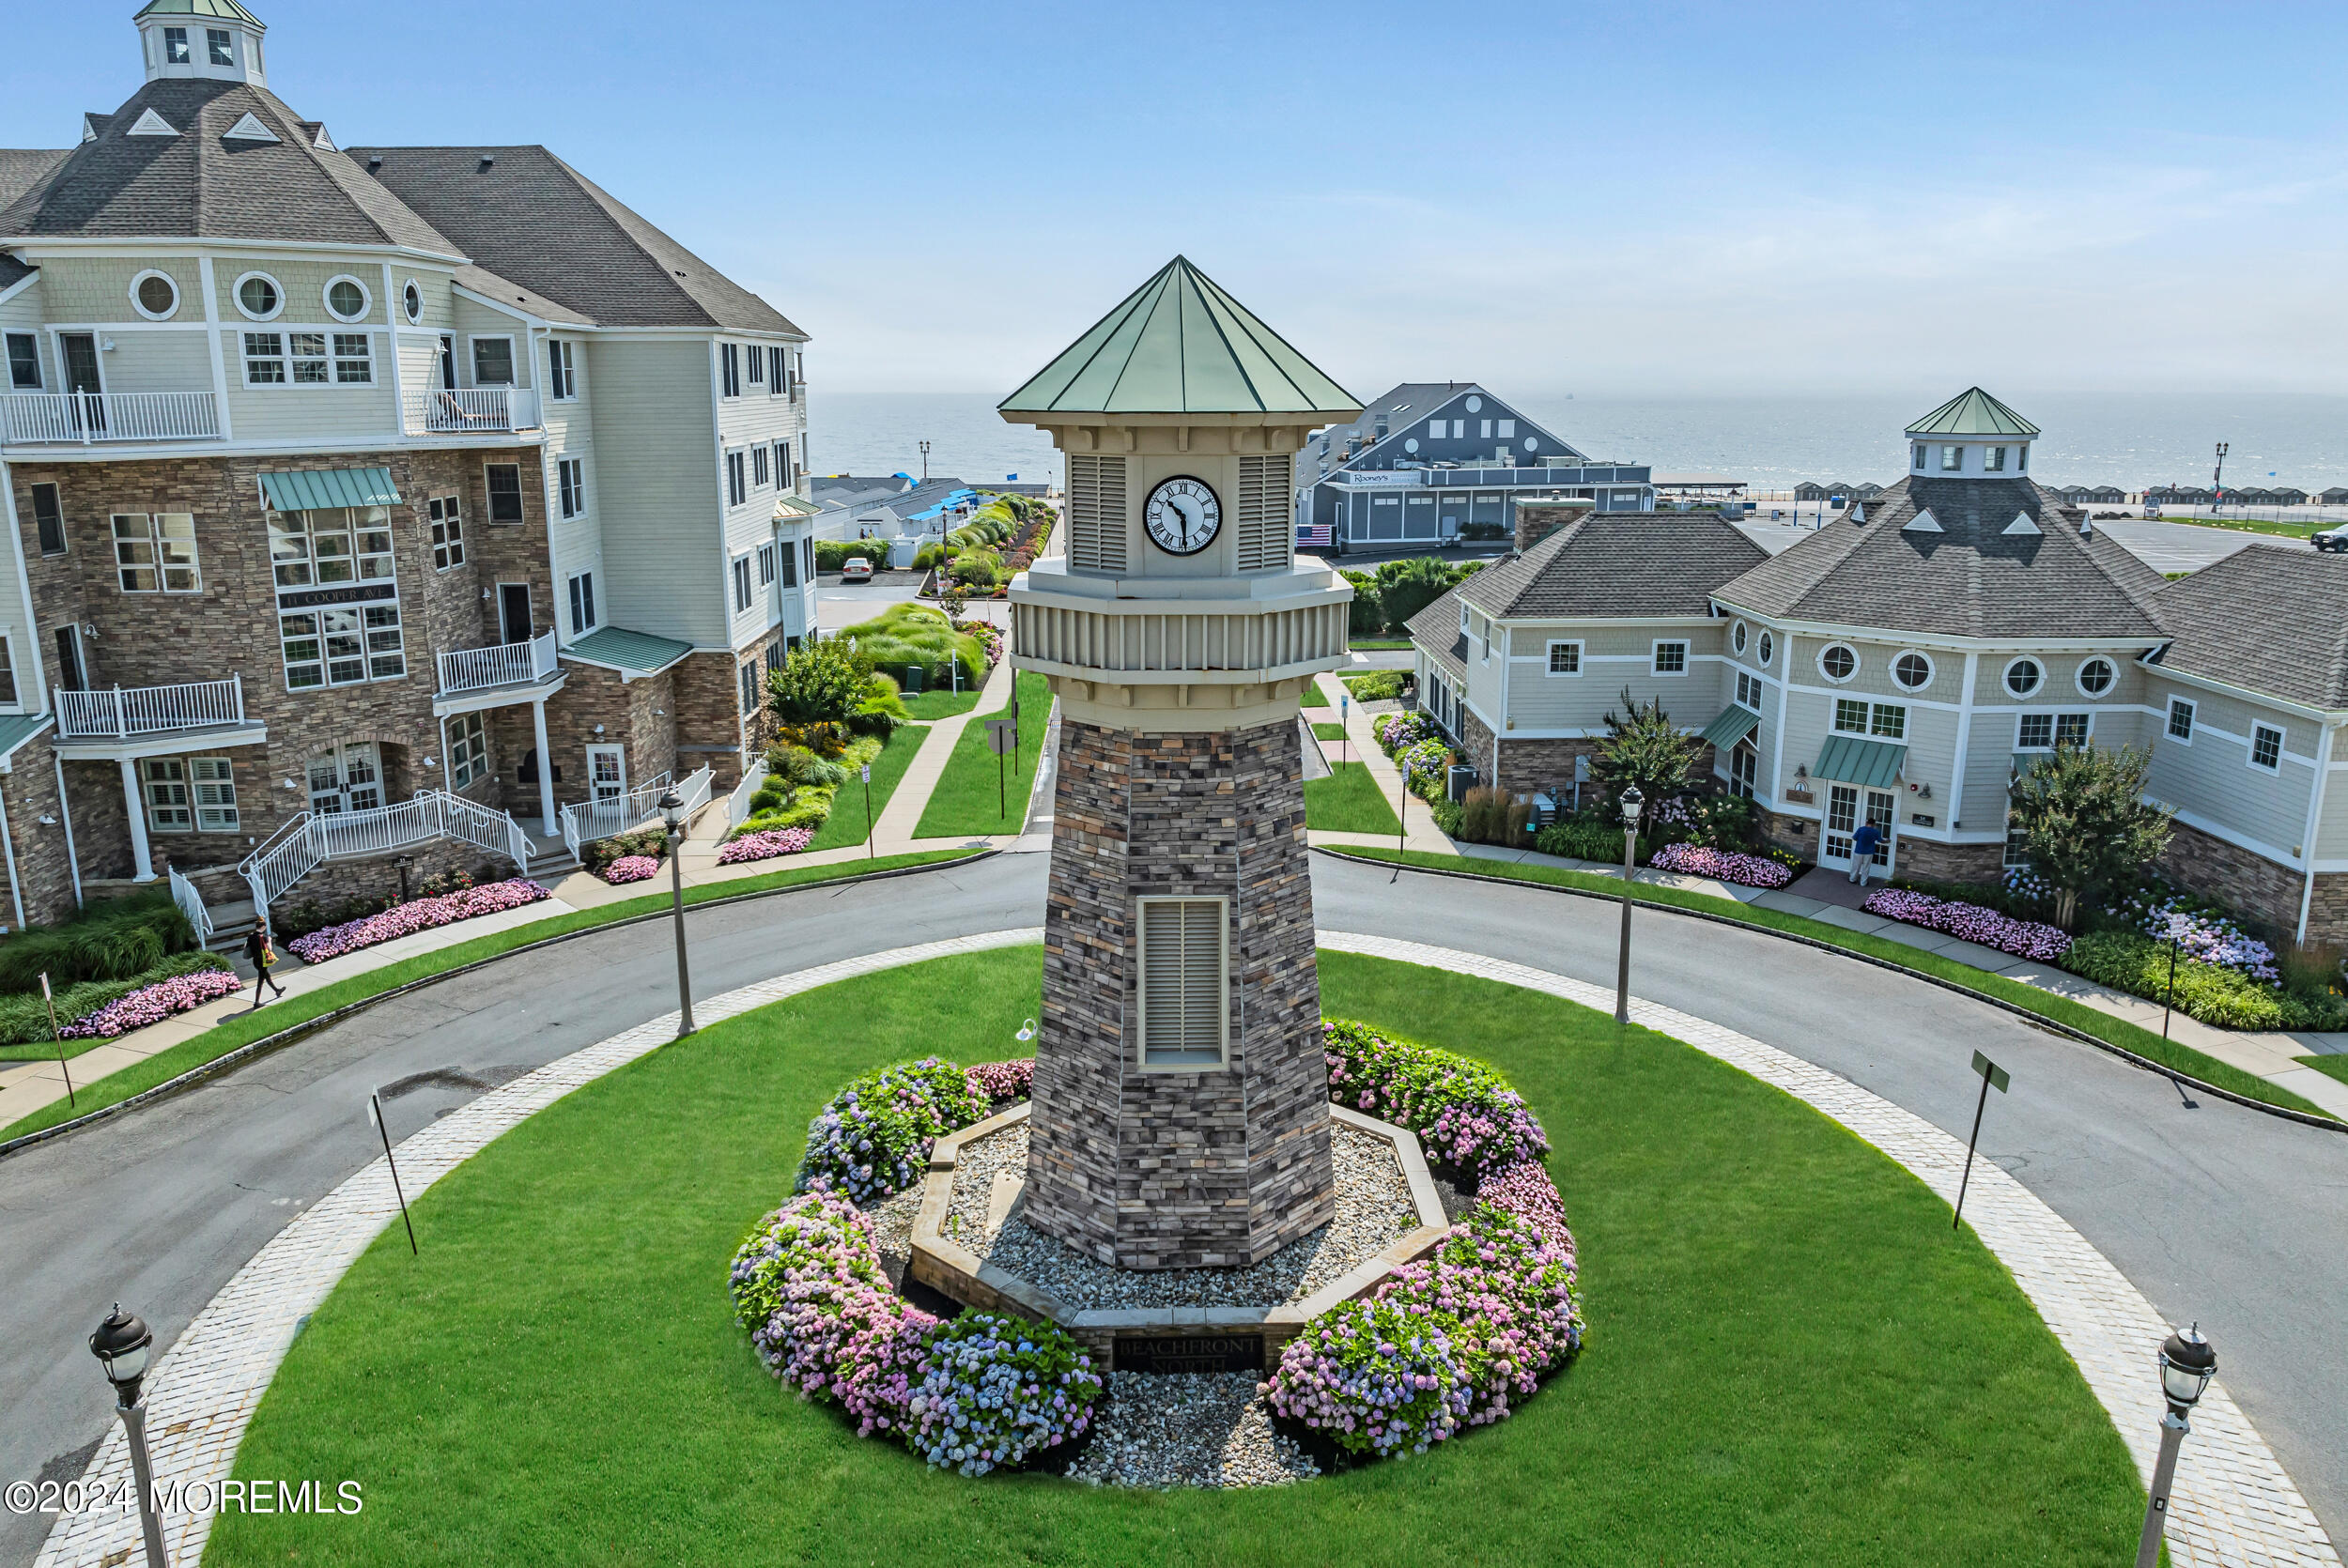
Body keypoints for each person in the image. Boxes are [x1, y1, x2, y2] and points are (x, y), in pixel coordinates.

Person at [243, 924, 285, 1007]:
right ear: (263, 927)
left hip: (255, 961)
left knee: (267, 976)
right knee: (260, 982)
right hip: (263, 961)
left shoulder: (251, 936)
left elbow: (245, 947)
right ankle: (256, 1002)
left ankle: (277, 990)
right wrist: (269, 940)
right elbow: (269, 949)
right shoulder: (263, 937)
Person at [1848, 819, 1884, 886]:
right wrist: (1887, 841)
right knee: (1866, 867)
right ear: (1874, 824)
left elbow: (1854, 838)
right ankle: (1863, 883)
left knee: (1856, 866)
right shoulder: (1875, 831)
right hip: (1869, 852)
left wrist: (1860, 840)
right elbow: (1880, 840)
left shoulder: (1861, 829)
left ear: (1867, 823)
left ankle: (1852, 879)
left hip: (1859, 850)